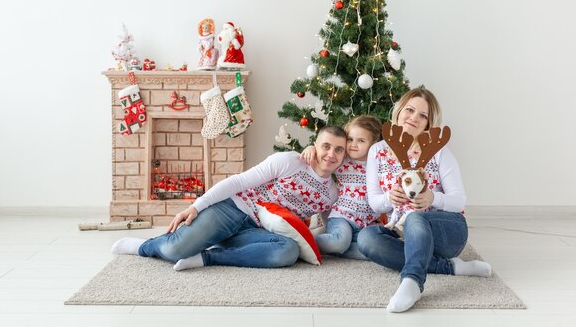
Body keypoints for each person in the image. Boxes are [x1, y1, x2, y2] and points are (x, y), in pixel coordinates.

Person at [111, 126, 347, 270]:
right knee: (175, 250)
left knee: (287, 252)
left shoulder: (331, 194)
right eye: (326, 146)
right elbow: (238, 181)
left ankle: (208, 257)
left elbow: (325, 227)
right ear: (314, 145)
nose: (331, 154)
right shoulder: (289, 161)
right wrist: (197, 206)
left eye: (339, 150)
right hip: (232, 209)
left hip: (259, 231)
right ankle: (143, 245)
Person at [357, 87, 492, 313]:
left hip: (447, 232)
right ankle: (449, 268)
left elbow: (458, 201)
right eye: (409, 110)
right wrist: (390, 198)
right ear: (399, 111)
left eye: (423, 116)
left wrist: (433, 198)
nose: (414, 118)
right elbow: (374, 202)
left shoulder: (440, 153)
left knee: (416, 218)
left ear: (429, 124)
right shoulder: (377, 151)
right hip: (402, 232)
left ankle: (412, 281)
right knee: (367, 238)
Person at [300, 115, 383, 260]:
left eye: (361, 141)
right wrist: (311, 147)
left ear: (374, 143)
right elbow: (323, 154)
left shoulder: (379, 164)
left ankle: (339, 249)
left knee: (374, 249)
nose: (353, 145)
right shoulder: (343, 160)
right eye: (350, 139)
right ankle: (303, 243)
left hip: (367, 223)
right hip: (342, 218)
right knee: (339, 242)